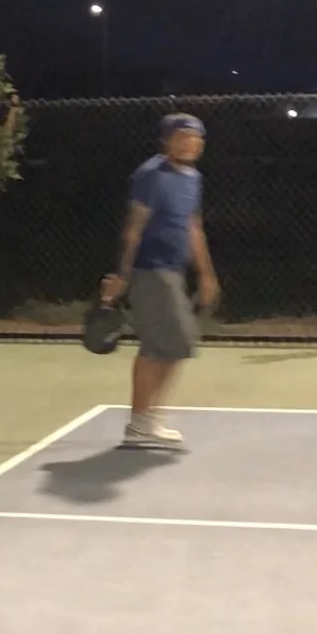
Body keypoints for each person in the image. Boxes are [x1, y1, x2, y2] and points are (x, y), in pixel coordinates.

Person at [101, 113, 218, 449]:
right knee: (164, 346)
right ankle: (140, 423)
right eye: (182, 137)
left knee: (173, 347)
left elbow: (193, 227)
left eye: (196, 138)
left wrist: (206, 274)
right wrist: (122, 275)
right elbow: (134, 228)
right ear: (166, 141)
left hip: (173, 272)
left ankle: (146, 421)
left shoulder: (192, 178)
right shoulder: (151, 175)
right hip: (150, 270)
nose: (190, 143)